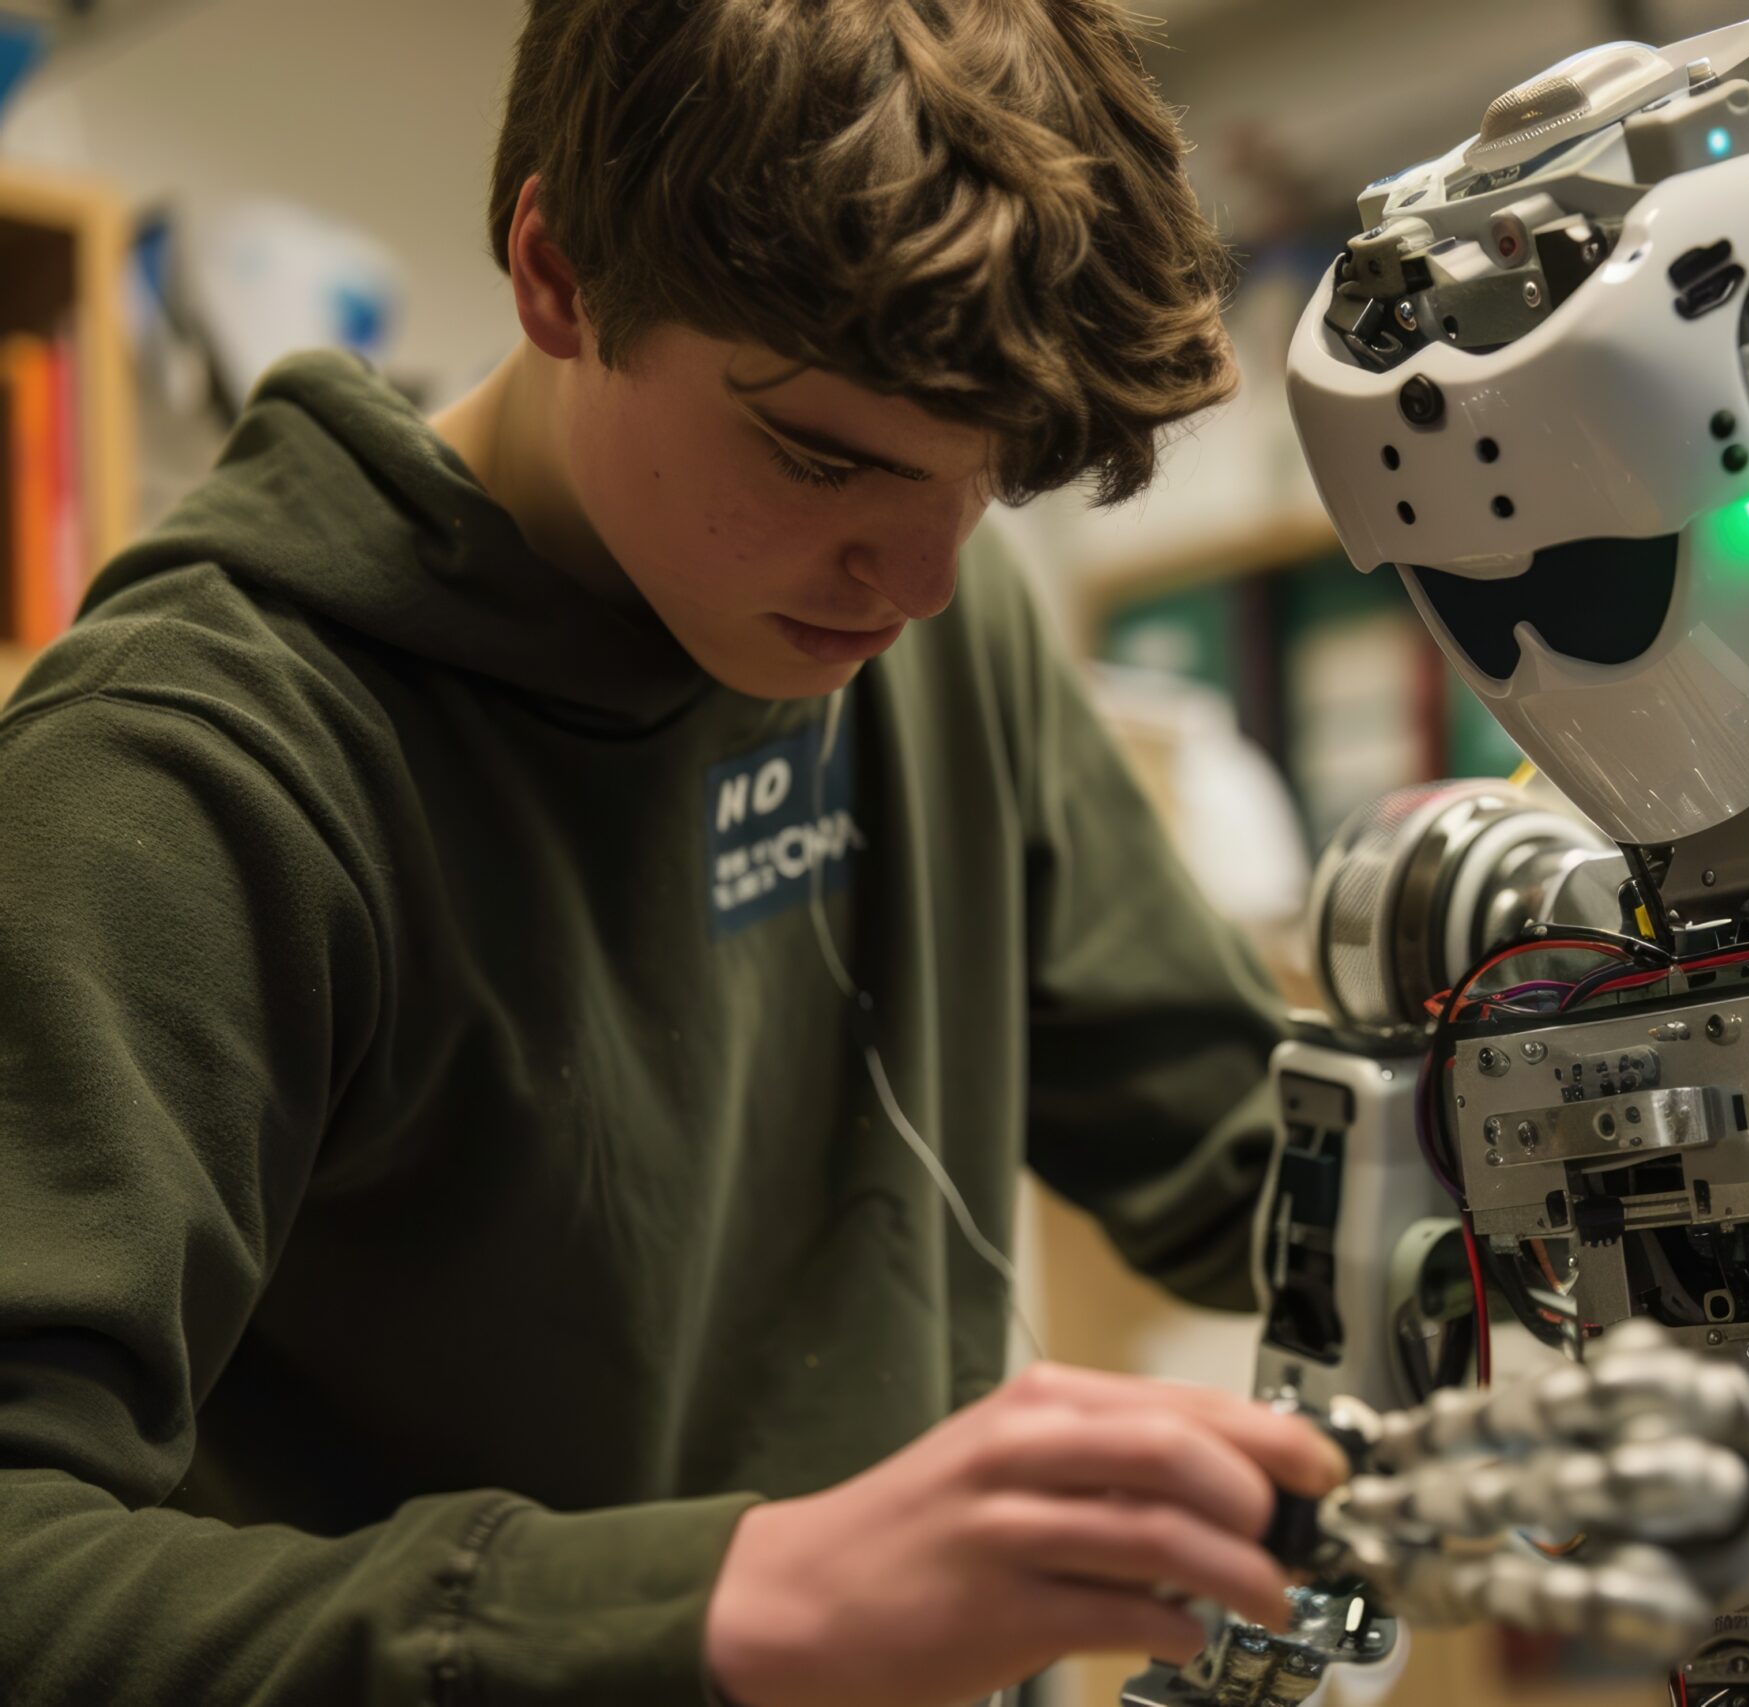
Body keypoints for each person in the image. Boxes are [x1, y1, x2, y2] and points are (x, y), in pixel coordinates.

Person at [0, 2, 1345, 1702]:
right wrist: (710, 1605)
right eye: (822, 457)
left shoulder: (938, 618)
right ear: (558, 272)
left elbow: (1242, 1166)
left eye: (985, 481)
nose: (918, 581)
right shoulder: (186, 775)